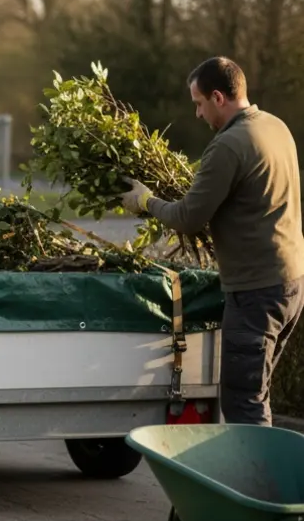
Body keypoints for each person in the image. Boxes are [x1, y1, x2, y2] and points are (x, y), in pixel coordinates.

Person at [120, 56, 304, 426]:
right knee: (257, 392)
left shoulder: (229, 145)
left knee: (243, 404)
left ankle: (253, 485)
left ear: (218, 97)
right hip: (291, 283)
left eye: (199, 104)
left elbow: (188, 217)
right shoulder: (275, 127)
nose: (198, 114)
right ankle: (260, 480)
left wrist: (146, 201)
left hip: (255, 291)